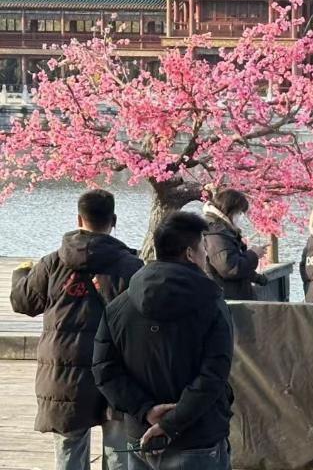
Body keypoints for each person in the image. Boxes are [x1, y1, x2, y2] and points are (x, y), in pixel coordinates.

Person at [10, 189, 143, 470]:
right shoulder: (130, 266)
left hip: (63, 370)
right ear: (113, 221)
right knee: (118, 452)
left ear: (79, 219)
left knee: (69, 450)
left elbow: (23, 303)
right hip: (115, 369)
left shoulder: (52, 263)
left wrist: (21, 274)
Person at [93, 212, 234, 470]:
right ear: (190, 254)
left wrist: (145, 410)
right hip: (197, 438)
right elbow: (214, 375)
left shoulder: (119, 306)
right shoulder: (211, 304)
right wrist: (171, 423)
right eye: (203, 247)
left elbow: (103, 369)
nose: (206, 255)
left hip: (141, 435)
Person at [201, 188, 268, 300]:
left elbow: (233, 258)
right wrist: (254, 255)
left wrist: (257, 278)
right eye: (239, 212)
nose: (240, 216)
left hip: (234, 295)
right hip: (227, 298)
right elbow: (229, 268)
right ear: (230, 211)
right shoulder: (216, 233)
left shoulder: (223, 230)